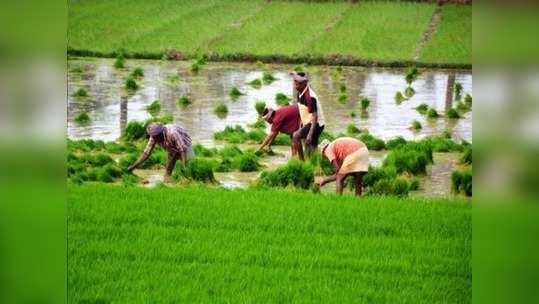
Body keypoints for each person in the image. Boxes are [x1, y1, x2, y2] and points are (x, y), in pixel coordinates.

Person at [127, 123, 193, 177]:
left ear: (160, 134)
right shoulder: (154, 136)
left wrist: (184, 166)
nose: (153, 139)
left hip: (185, 145)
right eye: (152, 137)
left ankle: (189, 179)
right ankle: (167, 181)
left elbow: (182, 149)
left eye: (155, 138)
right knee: (168, 169)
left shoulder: (173, 133)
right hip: (171, 147)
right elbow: (146, 153)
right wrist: (133, 167)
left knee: (189, 166)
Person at [292, 72, 326, 160]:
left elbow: (315, 116)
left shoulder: (310, 97)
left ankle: (303, 162)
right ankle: (311, 163)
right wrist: (301, 125)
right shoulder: (299, 93)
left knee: (296, 136)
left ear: (304, 84)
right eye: (295, 82)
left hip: (317, 124)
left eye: (298, 83)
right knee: (310, 147)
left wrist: (309, 134)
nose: (296, 85)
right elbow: (302, 110)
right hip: (309, 122)